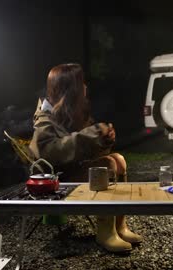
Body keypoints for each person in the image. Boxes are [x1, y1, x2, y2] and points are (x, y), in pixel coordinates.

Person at [29, 63, 142, 253]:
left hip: (72, 172)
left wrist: (103, 140)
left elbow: (85, 149)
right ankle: (105, 232)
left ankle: (120, 226)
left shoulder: (70, 113)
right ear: (70, 89)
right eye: (81, 83)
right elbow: (49, 153)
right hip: (56, 182)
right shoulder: (44, 119)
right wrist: (90, 137)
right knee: (107, 164)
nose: (85, 87)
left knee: (118, 160)